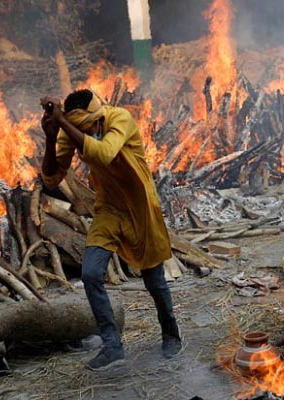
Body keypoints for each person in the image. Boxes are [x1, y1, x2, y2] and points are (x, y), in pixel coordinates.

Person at [39, 89, 182, 370]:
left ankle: (171, 334)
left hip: (140, 207)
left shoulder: (120, 118)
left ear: (96, 116)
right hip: (108, 209)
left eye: (87, 127)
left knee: (154, 280)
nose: (84, 133)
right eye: (77, 128)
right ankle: (112, 345)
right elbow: (52, 178)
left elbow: (104, 153)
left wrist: (64, 123)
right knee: (91, 273)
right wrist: (51, 135)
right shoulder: (72, 130)